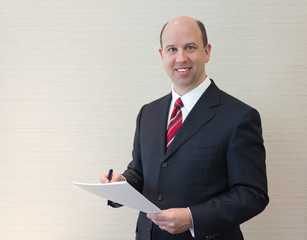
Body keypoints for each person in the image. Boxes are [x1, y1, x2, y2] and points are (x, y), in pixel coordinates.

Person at [100, 16, 269, 240]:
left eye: (190, 47)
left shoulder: (239, 116)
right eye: (172, 49)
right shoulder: (147, 113)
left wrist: (192, 217)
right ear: (162, 55)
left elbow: (252, 194)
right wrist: (121, 184)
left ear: (206, 52)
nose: (181, 58)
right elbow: (140, 172)